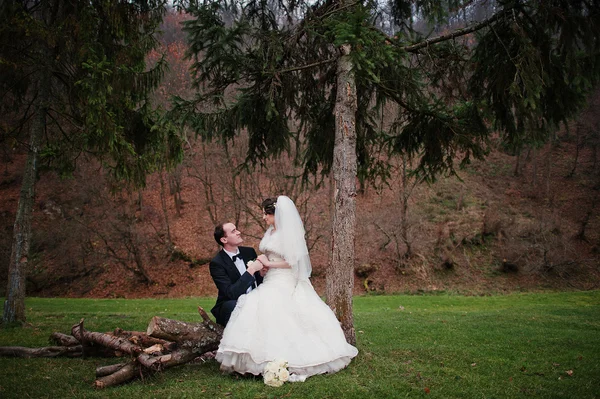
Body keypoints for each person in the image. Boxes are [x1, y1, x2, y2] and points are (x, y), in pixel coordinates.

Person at [216, 196, 358, 382]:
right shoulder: (270, 233)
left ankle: (284, 360)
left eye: (265, 214)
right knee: (257, 308)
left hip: (285, 280)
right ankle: (257, 360)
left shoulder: (288, 234)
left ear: (275, 214)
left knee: (278, 312)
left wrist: (269, 264)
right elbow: (270, 258)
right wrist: (265, 268)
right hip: (270, 279)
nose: (263, 217)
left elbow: (294, 262)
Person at [209, 222, 266, 327]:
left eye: (236, 229)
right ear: (224, 240)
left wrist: (261, 274)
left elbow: (258, 281)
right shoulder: (217, 263)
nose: (239, 232)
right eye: (233, 231)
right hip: (231, 303)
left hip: (254, 297)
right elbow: (231, 293)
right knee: (235, 305)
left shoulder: (249, 252)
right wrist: (251, 270)